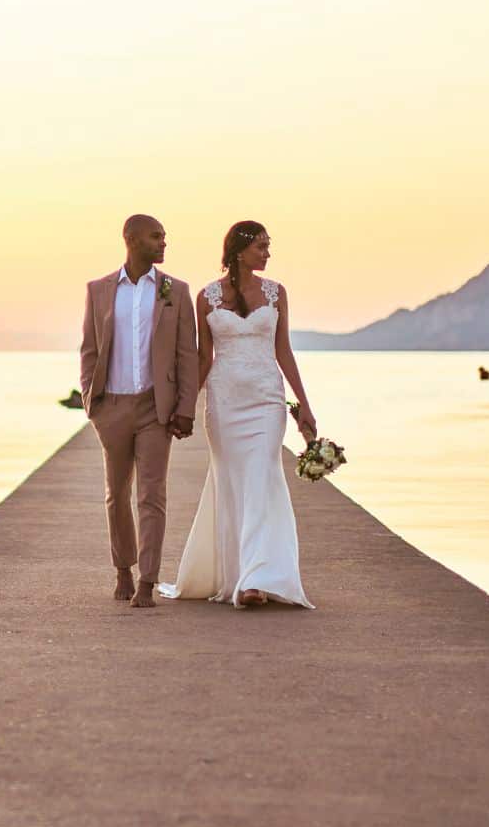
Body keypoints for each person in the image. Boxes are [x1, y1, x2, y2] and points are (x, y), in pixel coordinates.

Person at [158, 220, 317, 608]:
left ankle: (257, 579)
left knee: (262, 478)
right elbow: (203, 357)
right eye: (261, 246)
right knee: (231, 483)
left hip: (266, 400)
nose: (267, 253)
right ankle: (239, 572)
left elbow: (284, 351)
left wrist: (304, 406)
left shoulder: (276, 293)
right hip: (225, 403)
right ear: (240, 249)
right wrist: (184, 408)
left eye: (268, 246)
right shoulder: (207, 297)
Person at [77, 214, 199, 608]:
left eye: (164, 236)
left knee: (152, 494)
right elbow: (89, 349)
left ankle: (148, 580)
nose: (164, 242)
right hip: (111, 406)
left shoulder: (174, 290)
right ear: (131, 239)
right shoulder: (98, 290)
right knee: (116, 494)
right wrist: (91, 403)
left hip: (154, 407)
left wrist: (185, 407)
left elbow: (186, 354)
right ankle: (123, 570)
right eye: (156, 236)